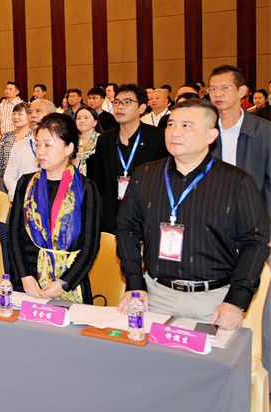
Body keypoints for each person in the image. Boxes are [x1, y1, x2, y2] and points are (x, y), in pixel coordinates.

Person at [116, 99, 270, 329]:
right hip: (155, 296)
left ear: (211, 135)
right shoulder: (145, 175)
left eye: (186, 126)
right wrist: (135, 283)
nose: (175, 132)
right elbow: (126, 228)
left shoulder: (236, 182)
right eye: (171, 124)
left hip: (213, 301)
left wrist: (236, 301)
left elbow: (255, 242)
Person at [8, 113, 102, 303]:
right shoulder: (26, 183)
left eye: (48, 145)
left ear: (69, 148)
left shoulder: (86, 188)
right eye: (37, 144)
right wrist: (24, 276)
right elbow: (14, 235)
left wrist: (64, 283)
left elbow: (90, 247)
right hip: (28, 283)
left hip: (70, 283)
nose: (40, 151)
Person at [87, 84, 169, 234]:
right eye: (116, 102)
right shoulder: (105, 139)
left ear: (142, 108)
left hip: (146, 214)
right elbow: (99, 181)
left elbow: (164, 181)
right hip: (112, 215)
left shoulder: (157, 137)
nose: (120, 107)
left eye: (126, 102)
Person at [208, 64, 271, 213]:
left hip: (252, 215)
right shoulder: (204, 130)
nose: (218, 94)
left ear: (241, 91)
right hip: (211, 212)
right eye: (213, 89)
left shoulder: (265, 131)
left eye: (225, 88)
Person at [3, 99, 55, 198]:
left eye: (38, 111)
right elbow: (10, 177)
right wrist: (22, 197)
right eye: (30, 112)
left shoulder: (59, 145)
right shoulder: (19, 146)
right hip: (24, 200)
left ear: (52, 115)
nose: (33, 115)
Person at [0, 101, 31, 190]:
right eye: (14, 114)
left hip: (29, 183)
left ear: (29, 116)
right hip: (6, 182)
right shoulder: (6, 137)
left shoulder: (34, 137)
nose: (15, 117)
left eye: (20, 114)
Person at [73, 107, 99, 176]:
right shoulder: (71, 140)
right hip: (74, 178)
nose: (82, 121)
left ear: (95, 122)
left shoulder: (102, 139)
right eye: (79, 118)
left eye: (86, 118)